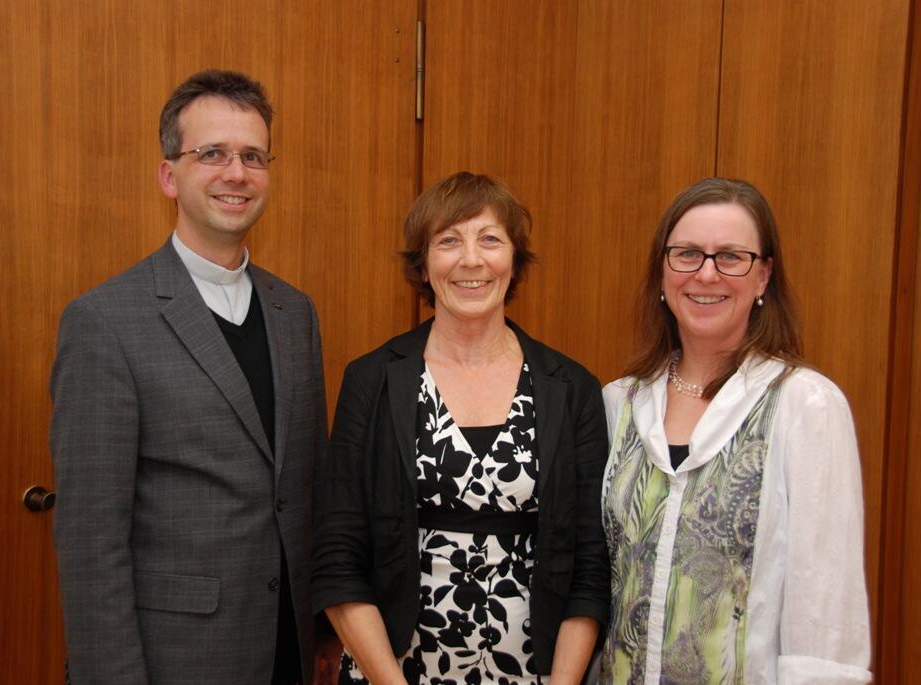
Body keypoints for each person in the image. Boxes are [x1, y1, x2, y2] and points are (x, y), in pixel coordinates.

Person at [51, 70, 329, 684]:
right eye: (212, 154)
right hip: (175, 659)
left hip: (289, 650)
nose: (237, 173)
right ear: (169, 176)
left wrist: (325, 634)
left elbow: (308, 489)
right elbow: (90, 541)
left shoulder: (294, 312)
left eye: (252, 156)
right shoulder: (104, 321)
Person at [311, 172, 610, 684]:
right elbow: (338, 555)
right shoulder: (371, 381)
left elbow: (590, 564)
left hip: (535, 672)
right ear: (423, 264)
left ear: (514, 259)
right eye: (448, 241)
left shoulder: (571, 388)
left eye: (490, 239)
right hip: (393, 671)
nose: (471, 259)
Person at [599, 177, 871, 683]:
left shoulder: (806, 406)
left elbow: (825, 604)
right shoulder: (619, 404)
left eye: (730, 257)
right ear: (662, 272)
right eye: (687, 254)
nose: (706, 274)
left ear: (763, 277)